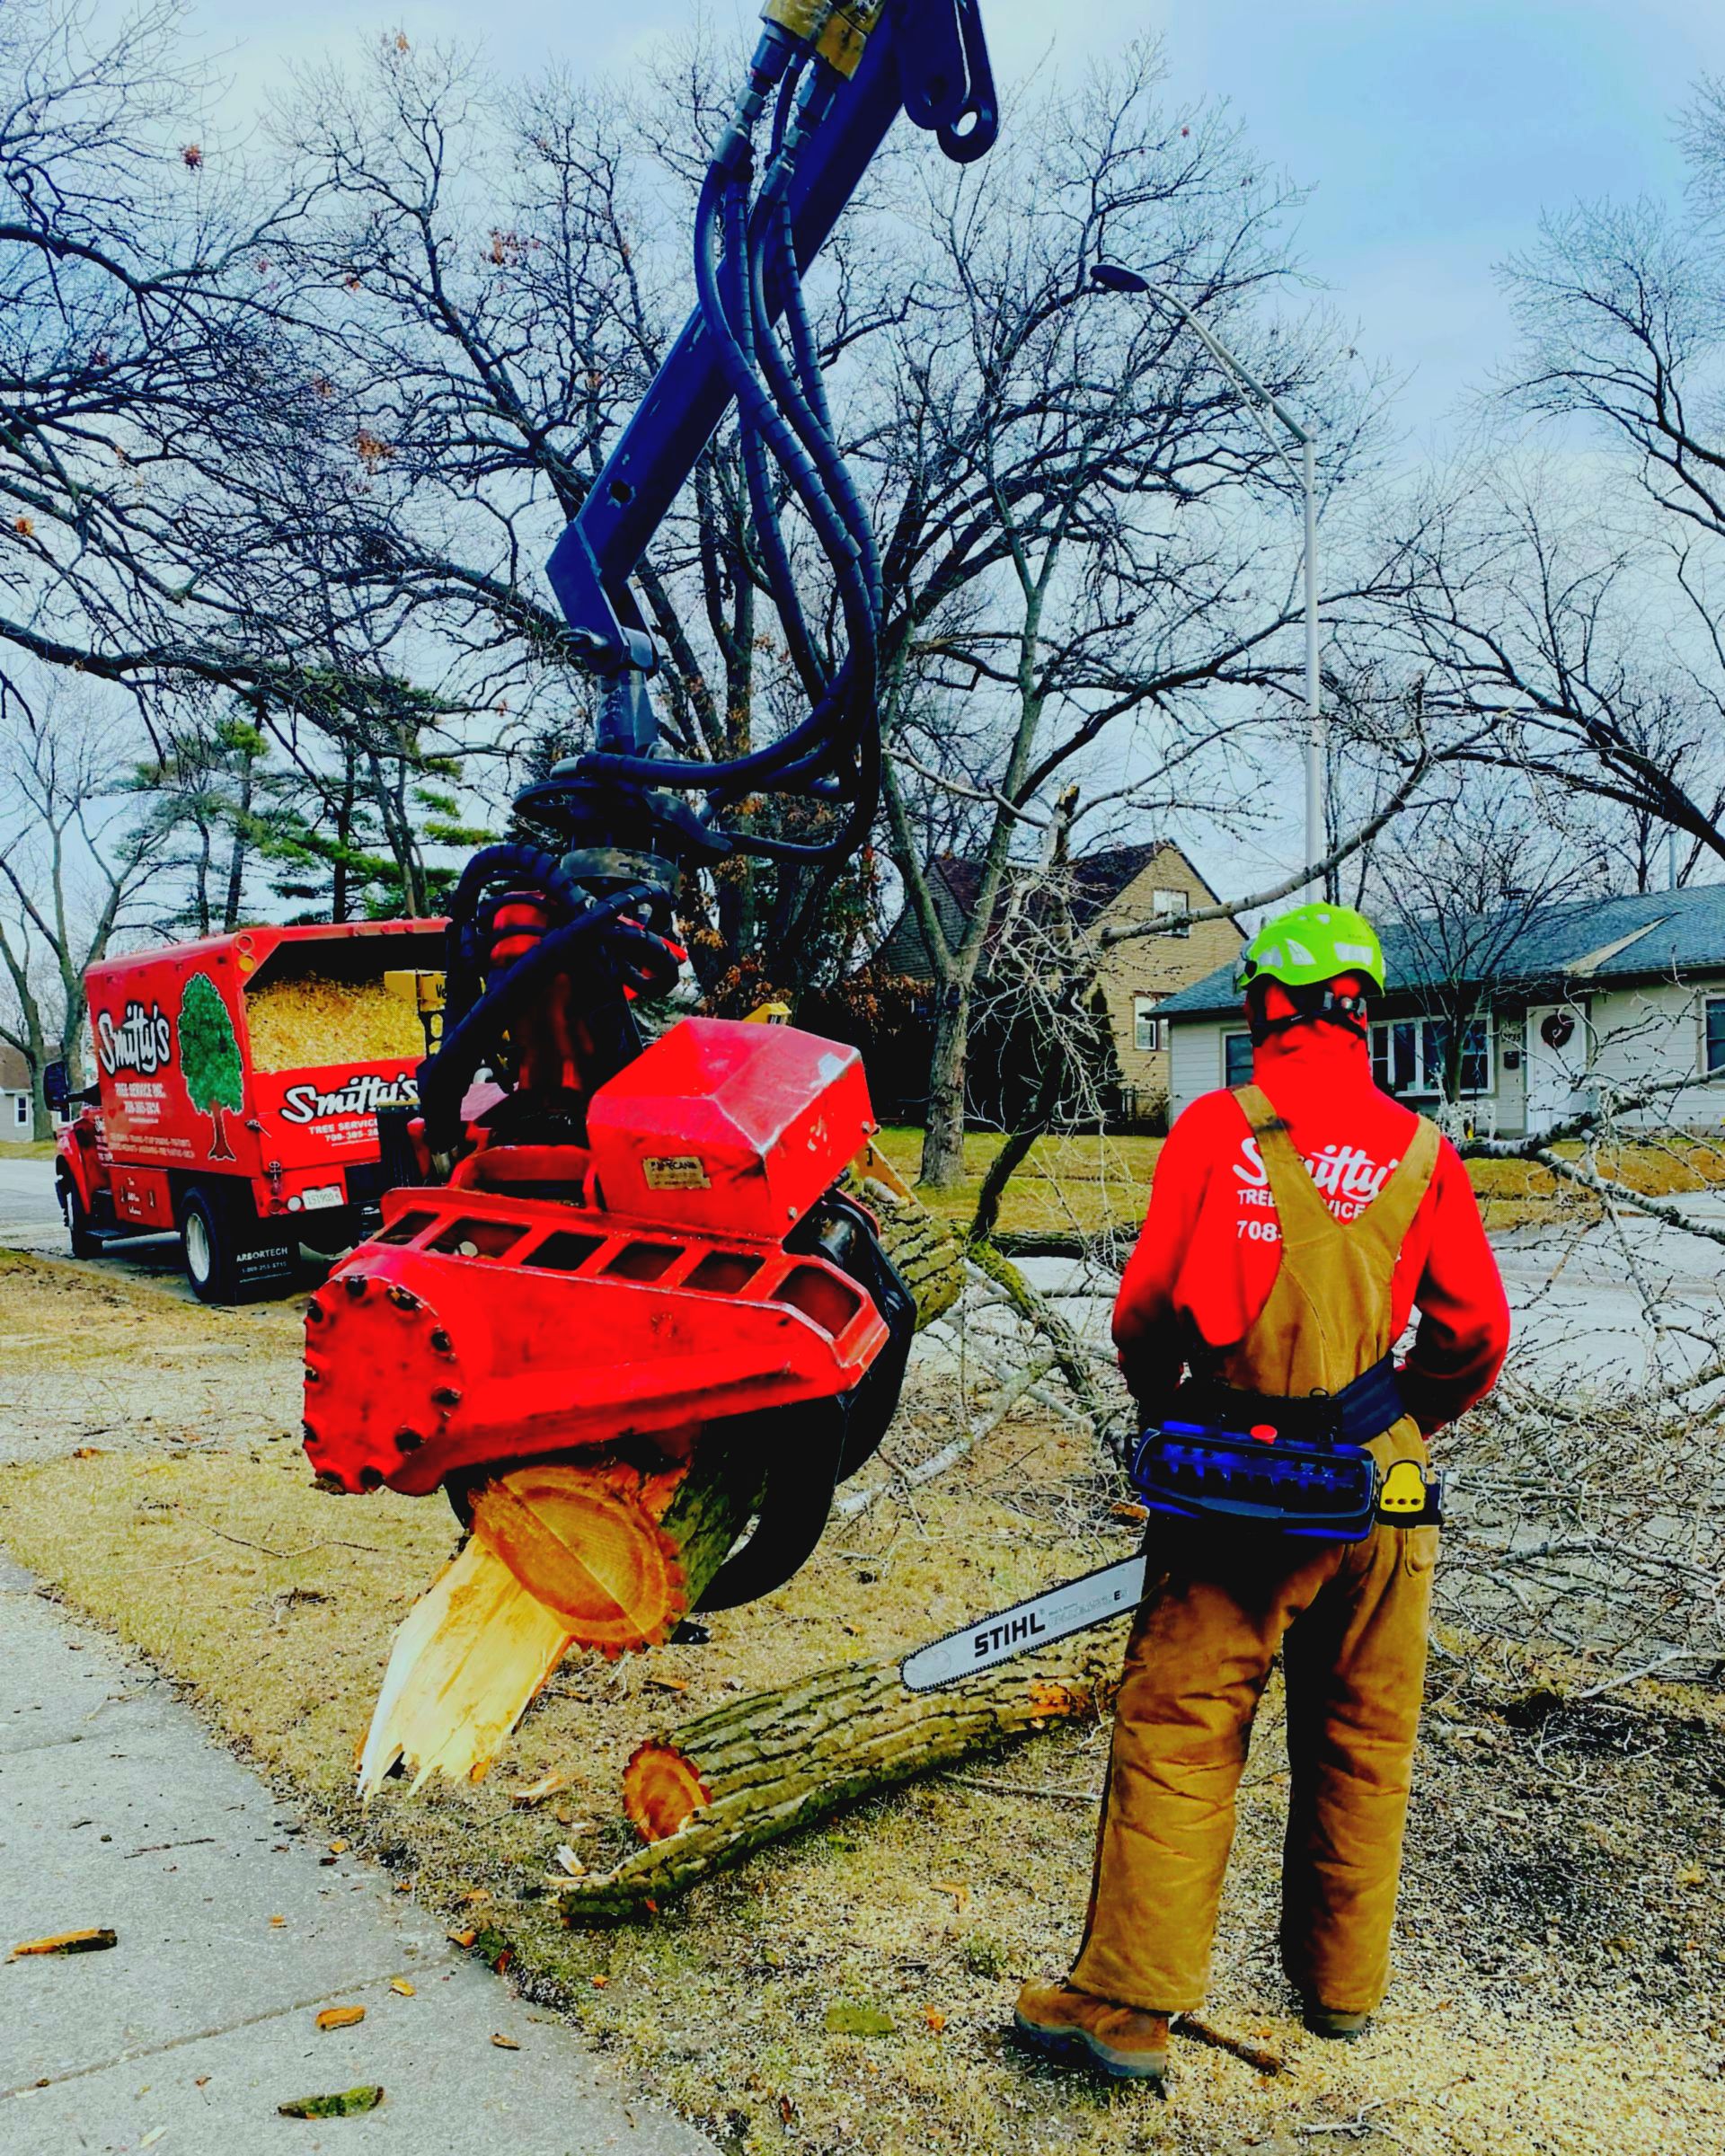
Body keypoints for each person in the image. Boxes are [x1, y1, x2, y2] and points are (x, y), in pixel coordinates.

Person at [1014, 901, 1510, 2087]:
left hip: (1242, 1480)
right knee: (1364, 1738)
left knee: (1184, 1727)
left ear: (1259, 1012)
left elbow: (1140, 1317)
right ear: (1365, 1011)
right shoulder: (1424, 1151)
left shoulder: (1212, 1131)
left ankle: (1128, 2006)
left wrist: (1171, 1412)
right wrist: (1401, 1426)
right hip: (1382, 1488)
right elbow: (1476, 1332)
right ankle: (1341, 1994)